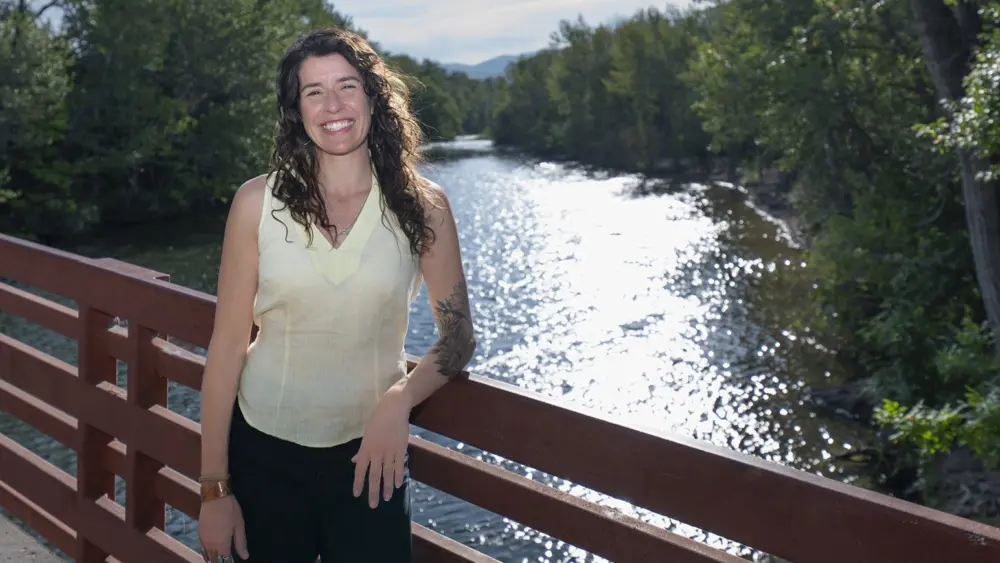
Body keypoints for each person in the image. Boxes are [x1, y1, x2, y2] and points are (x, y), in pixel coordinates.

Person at [195, 27, 477, 563]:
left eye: (347, 86)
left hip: (371, 459)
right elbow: (228, 346)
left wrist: (400, 401)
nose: (333, 105)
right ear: (295, 109)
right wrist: (215, 489)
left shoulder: (422, 207)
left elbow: (458, 335)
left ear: (373, 96)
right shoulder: (257, 204)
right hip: (262, 454)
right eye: (314, 91)